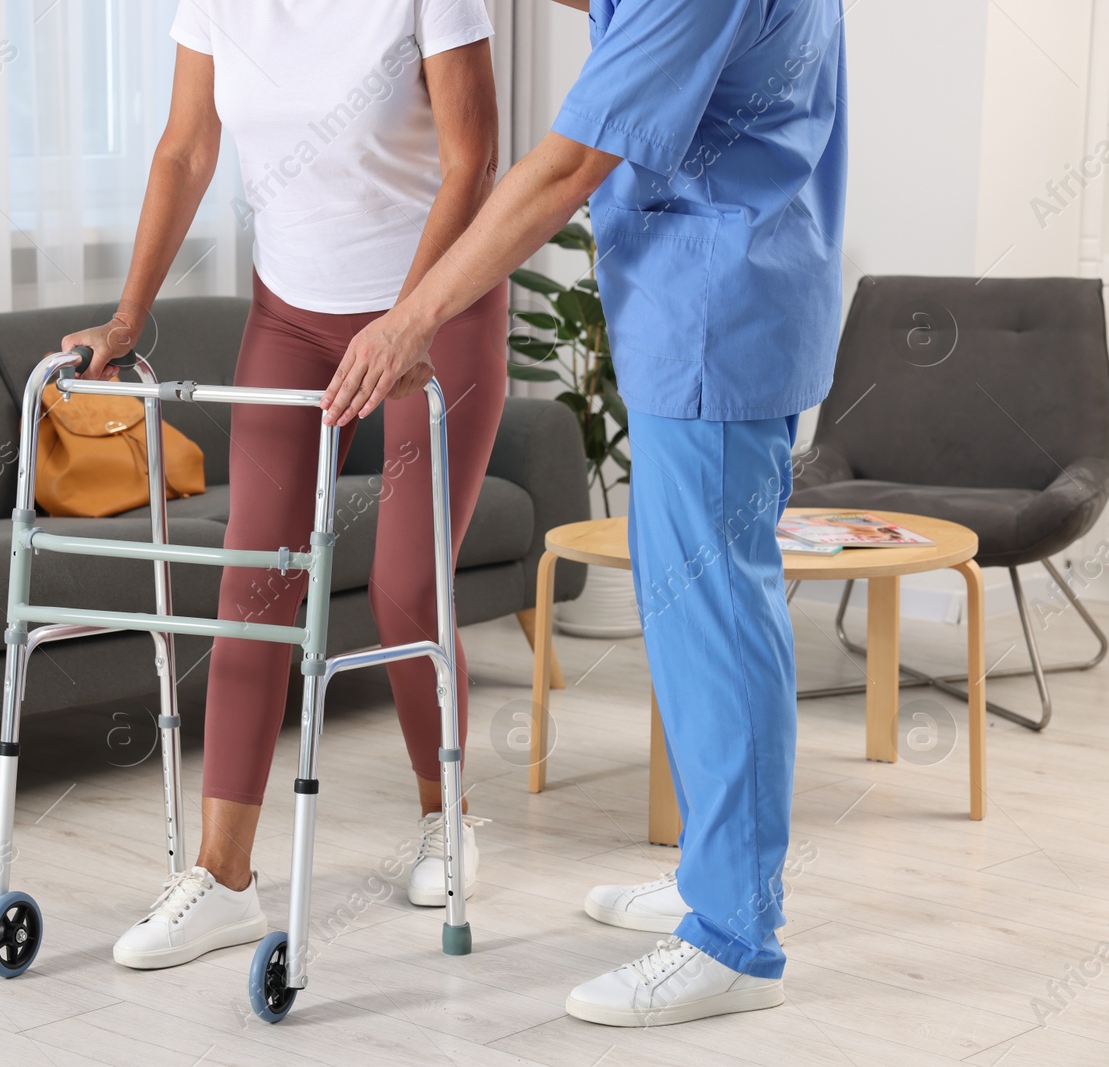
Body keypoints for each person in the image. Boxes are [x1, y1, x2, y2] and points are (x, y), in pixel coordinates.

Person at [324, 0, 847, 1027]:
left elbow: (566, 169)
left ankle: (733, 933)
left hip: (713, 318)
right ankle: (718, 872)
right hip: (712, 308)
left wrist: (413, 316)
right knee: (693, 617)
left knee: (717, 629)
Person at [60, 0, 507, 970]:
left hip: (440, 313)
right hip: (293, 314)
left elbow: (473, 157)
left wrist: (412, 319)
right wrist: (129, 314)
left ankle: (446, 813)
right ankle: (223, 877)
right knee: (252, 587)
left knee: (405, 586)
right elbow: (184, 149)